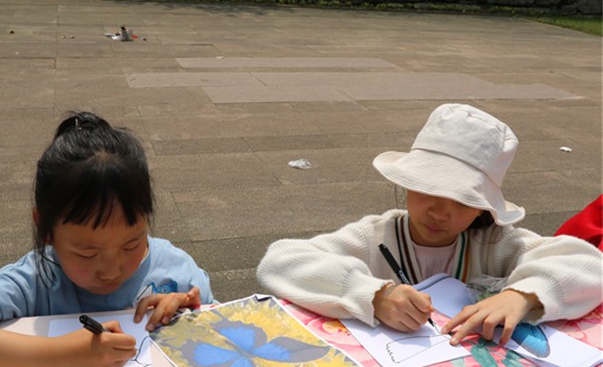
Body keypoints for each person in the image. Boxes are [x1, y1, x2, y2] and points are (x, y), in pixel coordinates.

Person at [257, 103, 602, 347]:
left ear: (483, 208)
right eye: (428, 190)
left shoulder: (494, 243)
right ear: (406, 183)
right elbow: (281, 260)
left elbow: (587, 264)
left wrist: (522, 295)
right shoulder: (374, 237)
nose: (440, 212)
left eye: (463, 200)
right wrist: (374, 294)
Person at [0, 112, 214, 367]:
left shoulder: (176, 272)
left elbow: (227, 330)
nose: (112, 271)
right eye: (87, 253)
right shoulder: (36, 280)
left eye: (132, 244)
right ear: (46, 230)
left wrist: (193, 314)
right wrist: (57, 359)